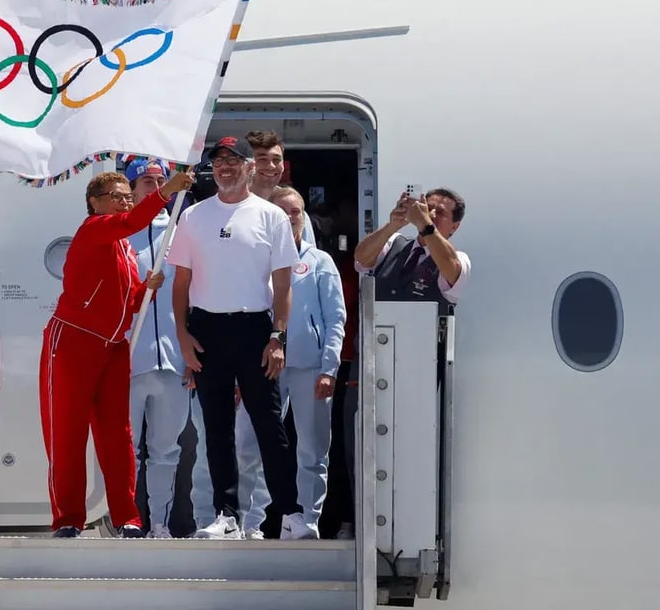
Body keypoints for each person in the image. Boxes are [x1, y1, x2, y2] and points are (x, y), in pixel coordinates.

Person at [166, 135, 314, 540]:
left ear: (250, 168)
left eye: (234, 161)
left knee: (270, 428)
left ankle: (289, 514)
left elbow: (284, 283)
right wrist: (182, 334)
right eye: (219, 162)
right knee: (216, 429)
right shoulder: (193, 216)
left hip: (255, 331)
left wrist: (277, 336)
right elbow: (181, 281)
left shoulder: (271, 216)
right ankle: (225, 514)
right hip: (206, 331)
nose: (225, 168)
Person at [39, 167, 195, 538]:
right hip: (74, 342)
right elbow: (130, 221)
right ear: (95, 204)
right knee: (68, 434)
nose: (125, 202)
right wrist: (167, 192)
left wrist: (147, 288)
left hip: (112, 346)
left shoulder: (123, 246)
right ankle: (68, 519)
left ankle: (127, 516)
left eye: (128, 196)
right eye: (117, 196)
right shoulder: (94, 229)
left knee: (118, 435)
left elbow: (126, 299)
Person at [339, 187, 470, 536]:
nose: (430, 213)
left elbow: (451, 272)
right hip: (371, 364)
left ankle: (406, 527)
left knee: (409, 449)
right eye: (428, 207)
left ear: (454, 226)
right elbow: (361, 259)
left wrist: (426, 228)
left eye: (440, 212)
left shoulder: (457, 256)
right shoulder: (393, 248)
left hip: (417, 373)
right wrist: (393, 224)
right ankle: (359, 520)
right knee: (360, 445)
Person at [234, 186, 346, 539]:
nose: (289, 218)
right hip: (264, 367)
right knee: (251, 445)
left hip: (309, 367)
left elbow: (335, 319)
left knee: (312, 450)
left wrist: (329, 367)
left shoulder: (320, 262)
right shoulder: (254, 260)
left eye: (295, 212)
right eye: (281, 212)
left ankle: (305, 523)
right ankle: (249, 524)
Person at [123, 158, 214, 538]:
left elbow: (198, 297)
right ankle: (126, 519)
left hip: (173, 360)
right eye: (146, 181)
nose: (155, 186)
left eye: (161, 180)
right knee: (126, 449)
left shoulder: (181, 234)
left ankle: (158, 522)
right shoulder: (119, 235)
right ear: (132, 189)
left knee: (166, 450)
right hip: (127, 360)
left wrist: (192, 352)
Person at [245, 130, 316, 245]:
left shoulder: (295, 212)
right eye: (262, 159)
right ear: (248, 164)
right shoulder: (232, 205)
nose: (271, 166)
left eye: (277, 159)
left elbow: (308, 259)